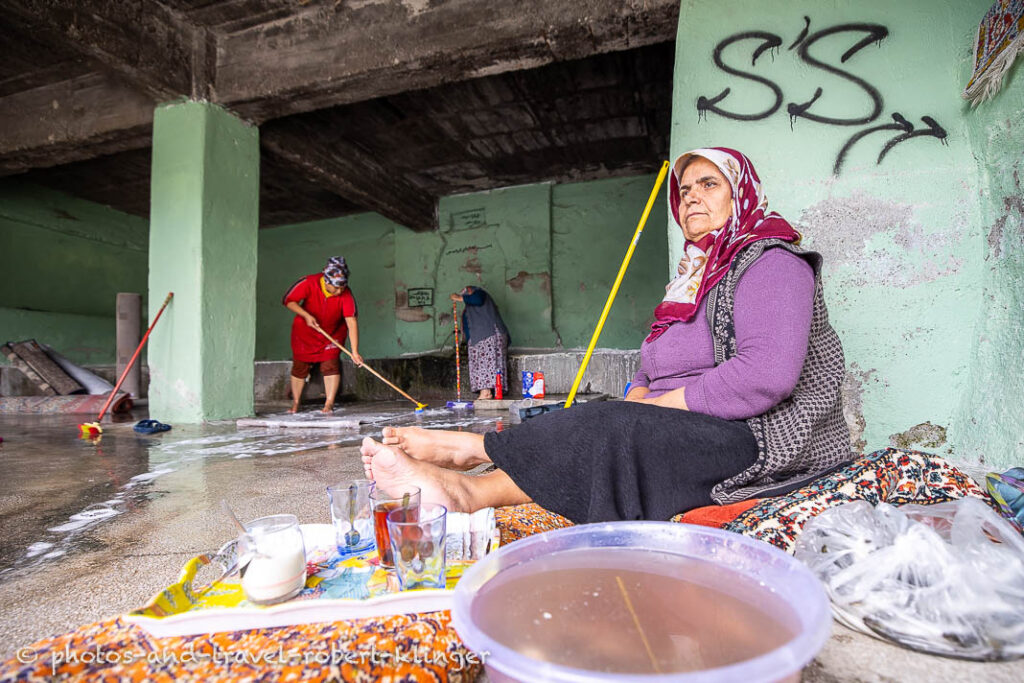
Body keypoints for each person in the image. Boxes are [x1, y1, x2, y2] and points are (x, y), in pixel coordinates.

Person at [360, 147, 851, 523]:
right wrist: (640, 393)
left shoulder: (771, 263)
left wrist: (651, 409)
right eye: (684, 190)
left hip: (752, 438)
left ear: (741, 193)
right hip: (681, 426)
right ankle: (463, 483)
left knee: (611, 427)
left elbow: (765, 376)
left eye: (709, 184)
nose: (691, 196)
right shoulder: (694, 276)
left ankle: (470, 461)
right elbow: (651, 363)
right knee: (595, 421)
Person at [282, 256, 363, 414]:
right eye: (336, 287)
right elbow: (288, 300)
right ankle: (296, 403)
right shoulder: (309, 282)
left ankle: (329, 403)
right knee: (300, 367)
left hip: (332, 334)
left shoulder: (346, 293)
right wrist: (305, 315)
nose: (340, 291)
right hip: (305, 332)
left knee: (330, 365)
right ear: (326, 281)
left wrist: (355, 351)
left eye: (342, 287)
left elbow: (351, 321)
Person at [450, 286, 511, 400]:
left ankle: (485, 392)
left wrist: (459, 298)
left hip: (488, 336)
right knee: (487, 363)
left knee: (485, 363)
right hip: (483, 338)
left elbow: (477, 299)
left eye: (467, 293)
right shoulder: (472, 309)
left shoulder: (480, 294)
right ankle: (491, 392)